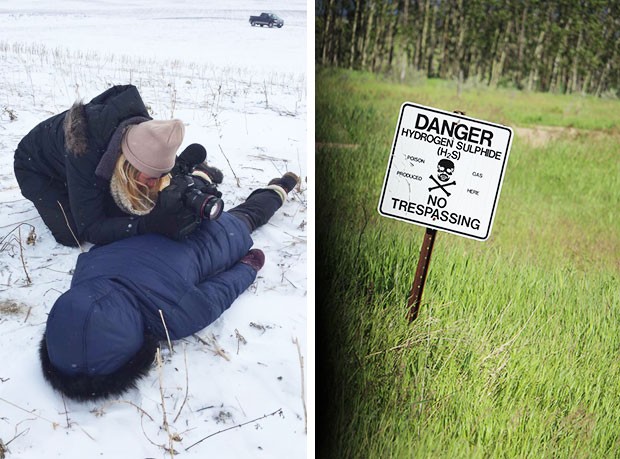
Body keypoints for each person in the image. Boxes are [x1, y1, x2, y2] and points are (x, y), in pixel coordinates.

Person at [39, 171, 300, 401]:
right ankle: (199, 177)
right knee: (185, 196)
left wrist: (248, 267)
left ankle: (279, 189)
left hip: (211, 238)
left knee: (247, 216)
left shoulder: (170, 318)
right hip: (163, 219)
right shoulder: (85, 272)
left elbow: (220, 292)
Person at [13, 84, 219, 247]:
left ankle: (186, 165)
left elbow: (152, 176)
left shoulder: (146, 135)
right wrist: (147, 225)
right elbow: (91, 228)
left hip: (83, 161)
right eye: (150, 176)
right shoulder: (84, 150)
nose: (154, 183)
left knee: (137, 200)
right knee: (72, 233)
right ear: (127, 166)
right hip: (36, 168)